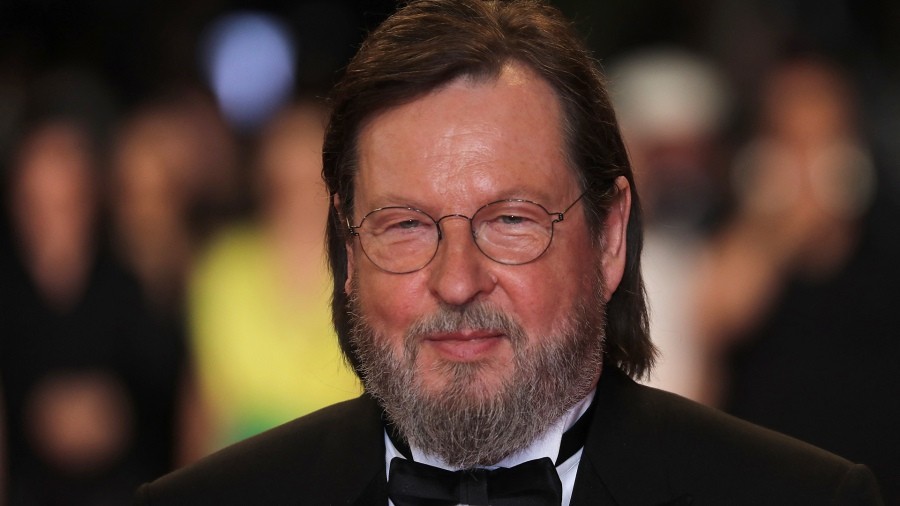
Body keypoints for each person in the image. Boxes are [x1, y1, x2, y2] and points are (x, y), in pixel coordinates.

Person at [135, 1, 884, 504]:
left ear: (610, 237)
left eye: (511, 221)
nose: (457, 280)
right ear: (349, 251)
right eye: (405, 225)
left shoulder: (802, 498)